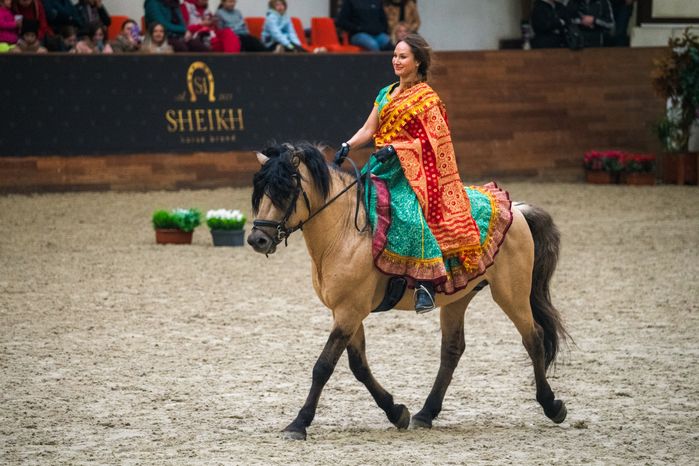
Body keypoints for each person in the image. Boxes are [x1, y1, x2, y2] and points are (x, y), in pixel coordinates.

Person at [334, 33, 484, 313]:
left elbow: (435, 140)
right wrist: (348, 145)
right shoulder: (386, 93)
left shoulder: (427, 99)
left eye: (403, 57)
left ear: (417, 62)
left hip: (414, 172)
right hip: (380, 167)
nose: (396, 61)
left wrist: (397, 148)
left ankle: (426, 282)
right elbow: (369, 129)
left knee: (409, 216)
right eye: (394, 55)